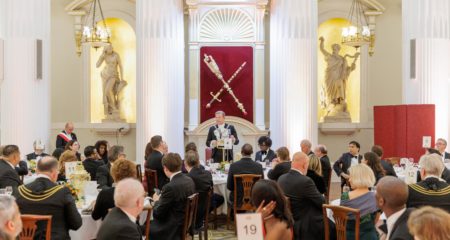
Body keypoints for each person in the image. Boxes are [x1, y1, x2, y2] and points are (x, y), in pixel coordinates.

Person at [16, 156, 82, 239]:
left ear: (36, 171)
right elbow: (76, 224)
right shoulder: (62, 192)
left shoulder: (20, 191)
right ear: (54, 173)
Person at [278, 152, 326, 240]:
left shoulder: (281, 178)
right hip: (304, 222)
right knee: (332, 227)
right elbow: (322, 202)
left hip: (287, 219)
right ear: (304, 165)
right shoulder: (306, 181)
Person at [150, 153, 196, 240]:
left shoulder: (170, 187)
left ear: (165, 168)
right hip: (185, 225)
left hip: (172, 229)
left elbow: (158, 214)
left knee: (144, 228)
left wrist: (156, 201)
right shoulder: (189, 180)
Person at [184, 150, 224, 230]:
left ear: (185, 163)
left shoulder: (186, 178)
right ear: (198, 161)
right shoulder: (207, 174)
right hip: (205, 205)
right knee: (218, 198)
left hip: (192, 210)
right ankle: (203, 217)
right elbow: (211, 189)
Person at [340, 164, 378, 240]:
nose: (349, 180)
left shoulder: (345, 196)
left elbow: (342, 219)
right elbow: (375, 220)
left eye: (351, 177)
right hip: (368, 236)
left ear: (359, 178)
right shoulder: (377, 197)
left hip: (348, 236)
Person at [319, 36, 359, 107]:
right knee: (331, 94)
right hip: (330, 77)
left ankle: (341, 101)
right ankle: (332, 104)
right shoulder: (330, 56)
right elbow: (322, 49)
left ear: (338, 50)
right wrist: (322, 41)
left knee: (340, 83)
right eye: (333, 49)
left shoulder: (342, 59)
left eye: (335, 49)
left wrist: (352, 68)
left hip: (338, 77)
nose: (333, 50)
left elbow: (346, 71)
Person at [96, 44, 127, 119]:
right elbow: (97, 65)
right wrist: (101, 56)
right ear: (105, 49)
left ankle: (114, 108)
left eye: (111, 47)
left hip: (114, 75)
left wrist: (122, 78)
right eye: (109, 47)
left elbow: (121, 66)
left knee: (108, 91)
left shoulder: (116, 55)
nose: (111, 48)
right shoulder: (104, 55)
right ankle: (111, 109)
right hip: (105, 76)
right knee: (106, 93)